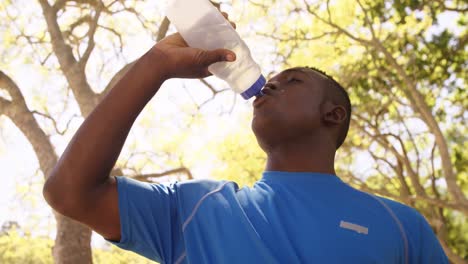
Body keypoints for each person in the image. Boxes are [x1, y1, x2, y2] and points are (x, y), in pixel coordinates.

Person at [43, 12, 448, 264]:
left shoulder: (401, 226)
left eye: (290, 82)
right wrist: (158, 63)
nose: (269, 87)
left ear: (333, 114)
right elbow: (69, 193)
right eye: (270, 81)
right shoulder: (197, 209)